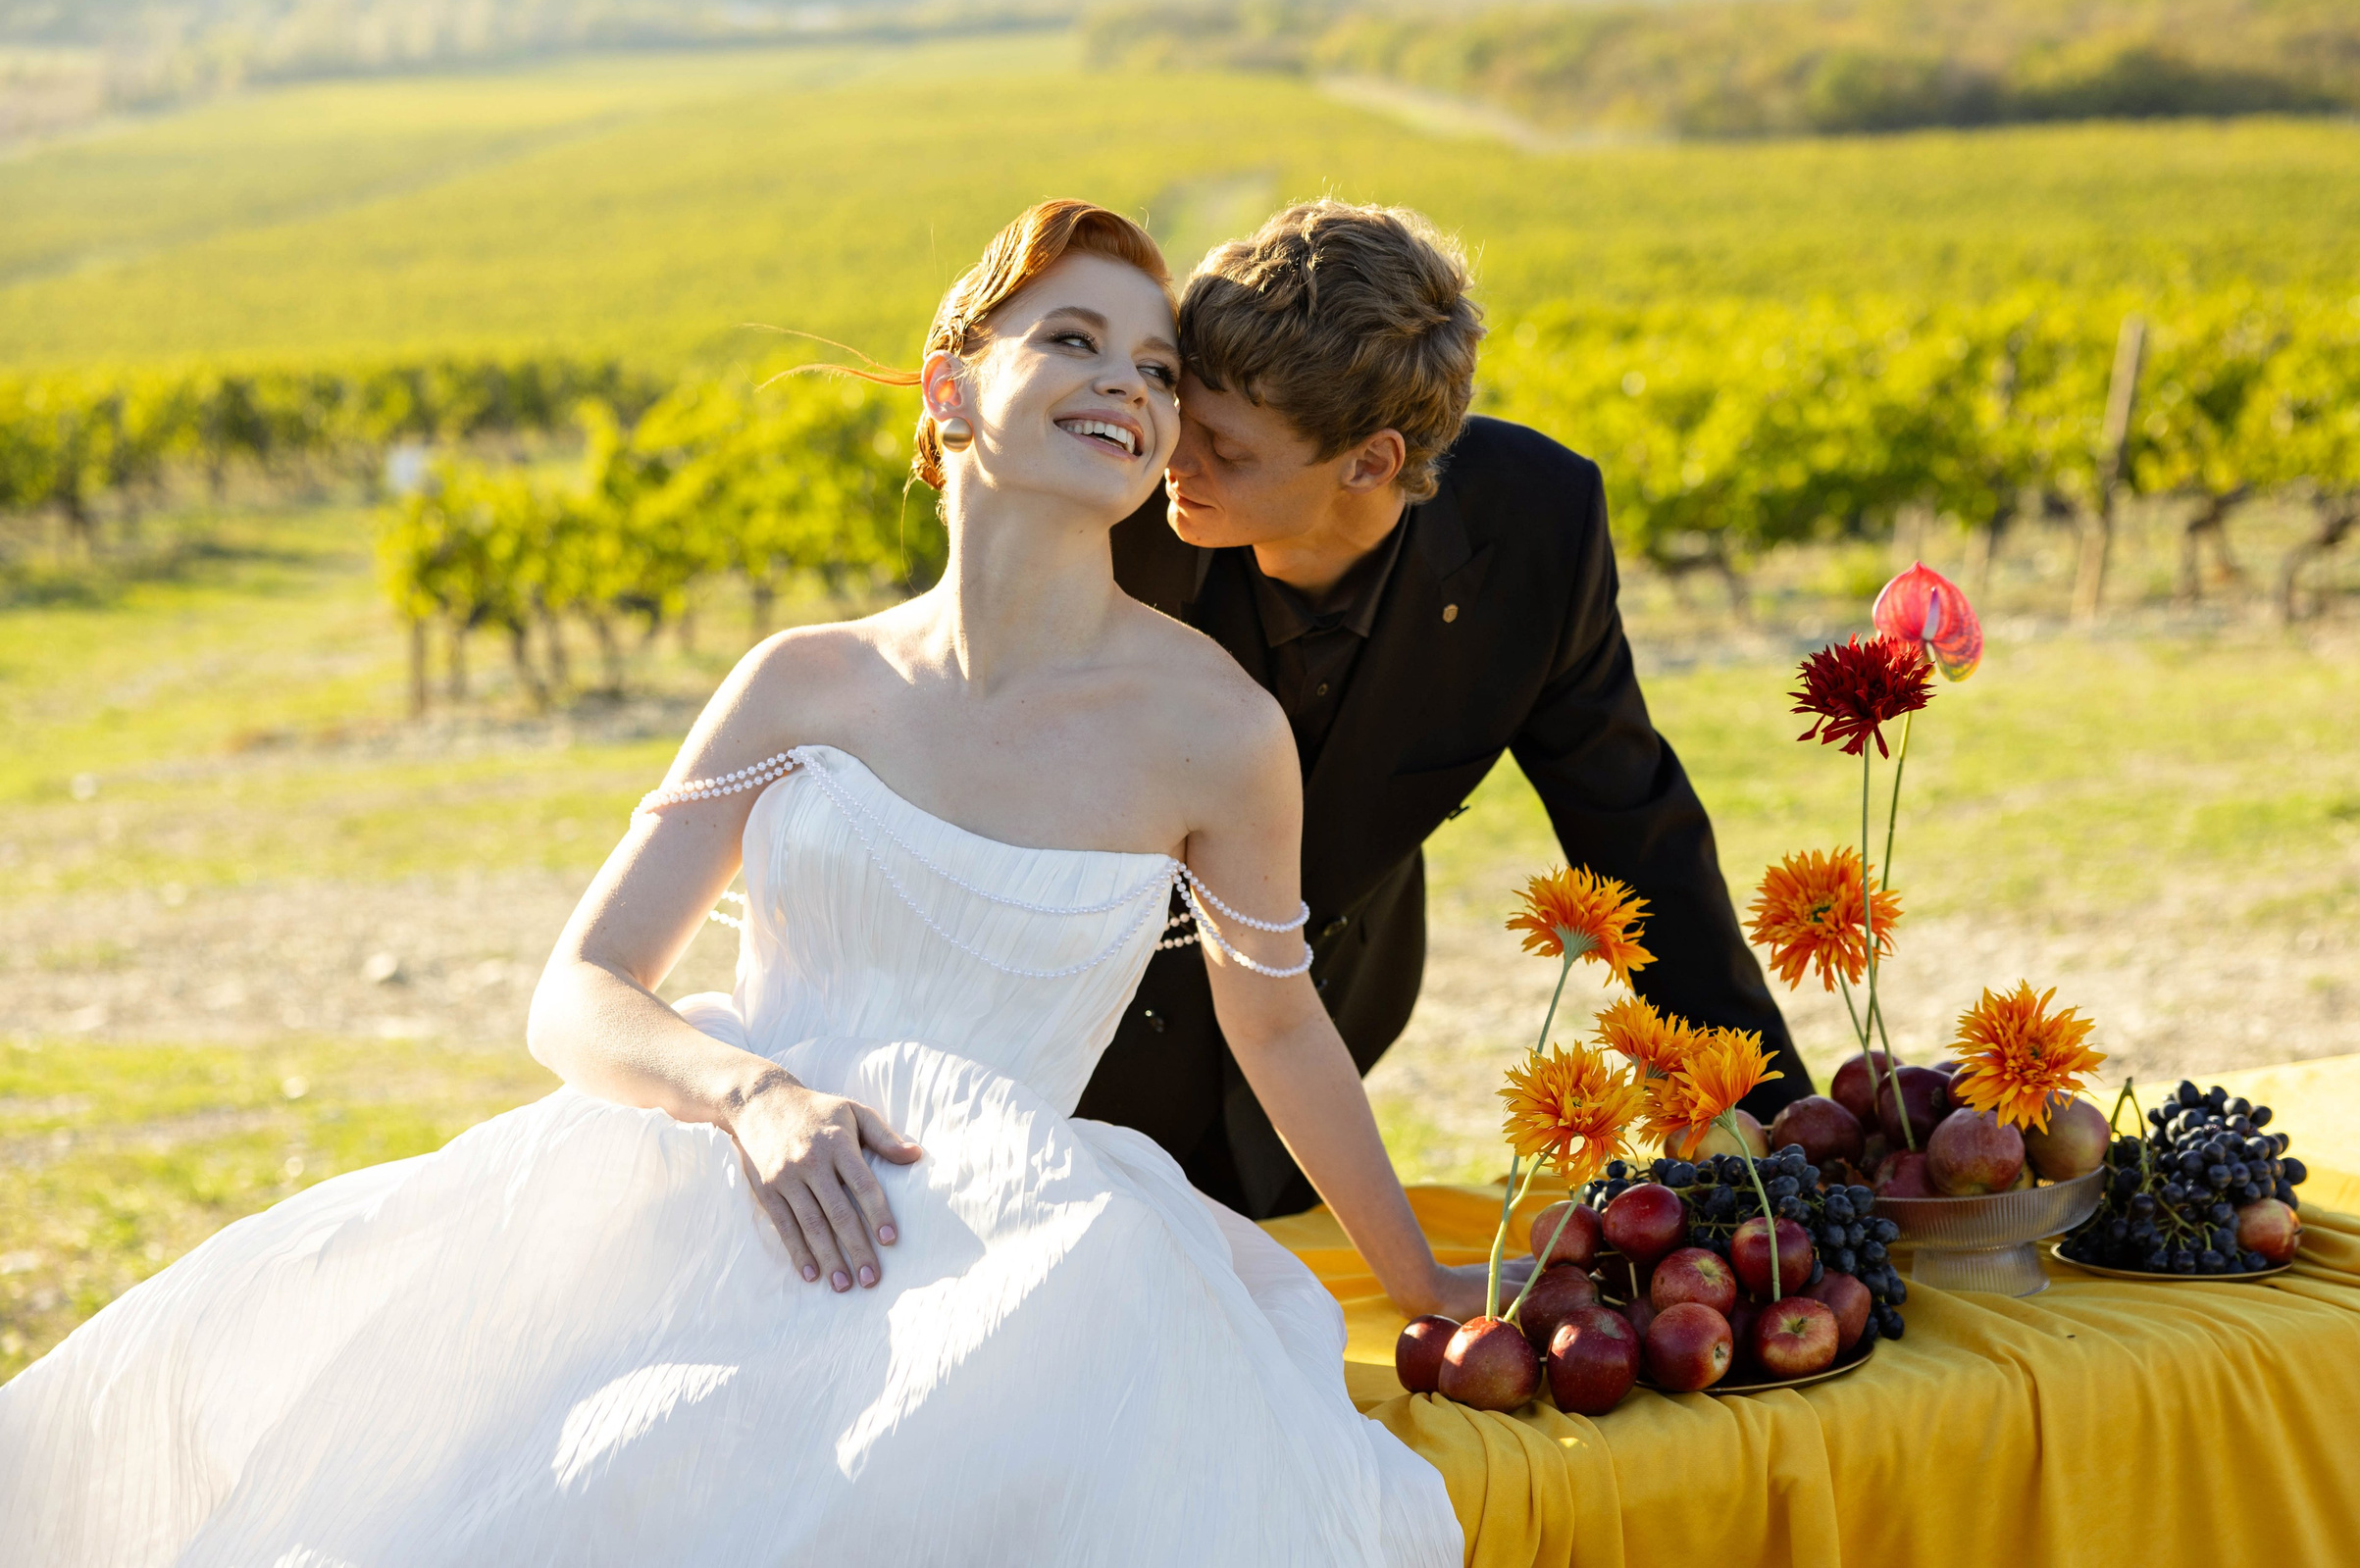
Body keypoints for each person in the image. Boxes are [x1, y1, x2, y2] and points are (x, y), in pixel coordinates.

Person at [0, 201, 1467, 1567]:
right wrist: (750, 1093)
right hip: (705, 1198)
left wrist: (1418, 1280)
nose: (1128, 384)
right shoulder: (800, 682)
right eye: (1072, 338)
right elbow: (576, 991)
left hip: (1016, 1263)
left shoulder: (1218, 730)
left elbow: (1278, 1028)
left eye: (1156, 367)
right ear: (948, 393)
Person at [1081, 199, 1810, 1221]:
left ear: (1370, 462)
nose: (1173, 459)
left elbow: (1633, 833)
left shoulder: (1536, 525)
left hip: (1329, 1024)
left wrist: (1774, 1126)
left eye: (1228, 450)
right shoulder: (1102, 513)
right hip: (1079, 1052)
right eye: (1177, 413)